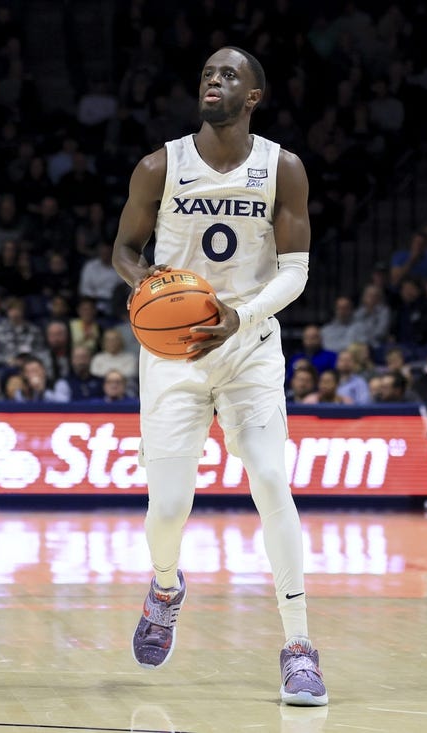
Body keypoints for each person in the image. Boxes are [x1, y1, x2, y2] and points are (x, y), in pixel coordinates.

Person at [110, 47, 327, 706]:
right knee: (170, 507)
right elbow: (122, 249)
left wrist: (242, 314)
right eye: (207, 73)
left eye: (229, 75)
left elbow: (295, 268)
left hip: (249, 345)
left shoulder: (282, 168)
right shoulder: (159, 166)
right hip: (173, 354)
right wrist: (142, 280)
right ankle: (166, 585)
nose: (214, 80)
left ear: (254, 95)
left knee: (269, 475)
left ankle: (299, 646)